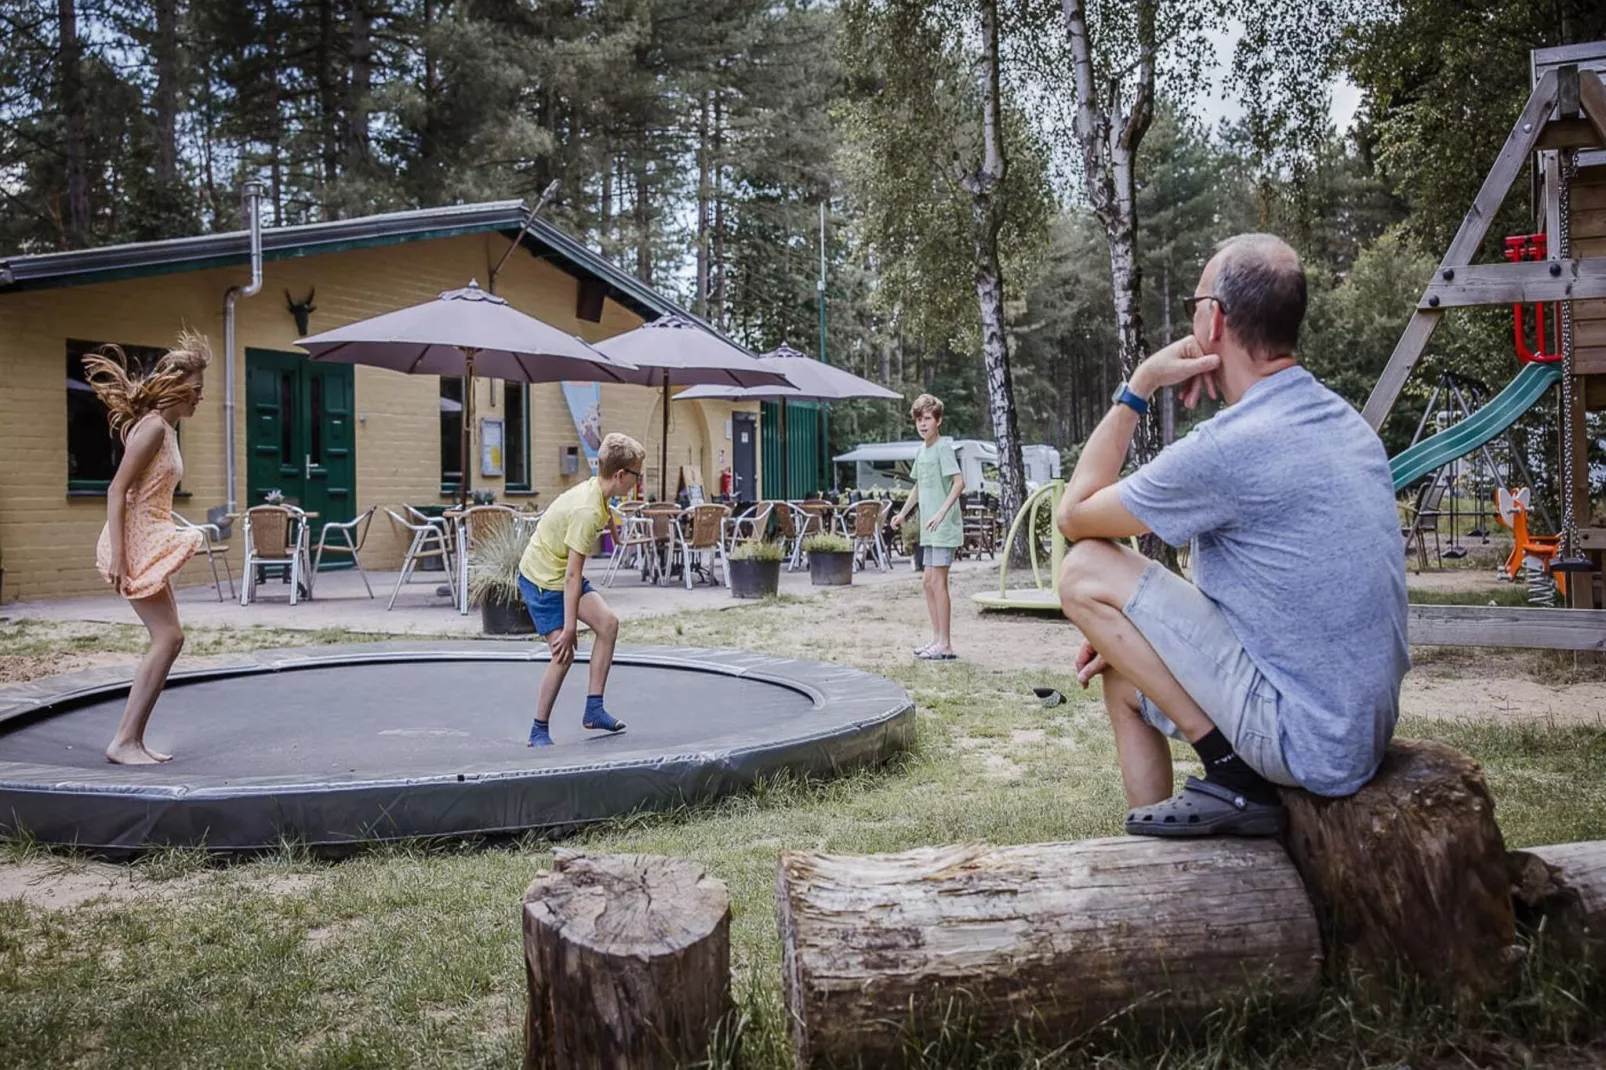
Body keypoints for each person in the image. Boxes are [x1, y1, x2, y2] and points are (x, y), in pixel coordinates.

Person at [1055, 233, 1409, 837]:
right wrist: (1130, 636)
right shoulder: (1343, 422)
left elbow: (1075, 515)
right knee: (1121, 675)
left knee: (1084, 569)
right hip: (1353, 727)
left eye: (1196, 301)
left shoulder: (1230, 446)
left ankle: (1232, 775)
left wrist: (1138, 386)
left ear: (1214, 319)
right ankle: (1153, 865)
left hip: (1303, 739)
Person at [88, 331, 213, 765]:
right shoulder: (154, 429)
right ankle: (124, 741)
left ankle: (132, 740)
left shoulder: (167, 430)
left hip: (150, 535)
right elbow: (116, 489)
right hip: (136, 541)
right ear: (178, 387)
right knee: (169, 637)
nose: (200, 398)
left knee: (170, 638)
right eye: (196, 390)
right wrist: (121, 554)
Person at [518, 432, 647, 747]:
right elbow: (573, 576)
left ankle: (593, 709)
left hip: (559, 570)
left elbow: (604, 508)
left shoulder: (600, 491)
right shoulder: (586, 512)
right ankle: (538, 730)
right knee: (563, 653)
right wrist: (570, 626)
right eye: (637, 475)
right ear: (620, 475)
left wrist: (616, 535)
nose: (638, 481)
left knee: (608, 623)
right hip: (542, 580)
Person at [892, 394, 966, 661]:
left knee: (938, 582)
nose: (922, 424)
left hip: (944, 526)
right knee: (927, 582)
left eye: (927, 419)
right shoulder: (922, 451)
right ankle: (935, 640)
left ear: (939, 420)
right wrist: (902, 513)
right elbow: (919, 487)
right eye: (918, 420)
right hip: (929, 527)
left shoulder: (943, 449)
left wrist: (941, 512)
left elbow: (959, 483)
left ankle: (946, 645)